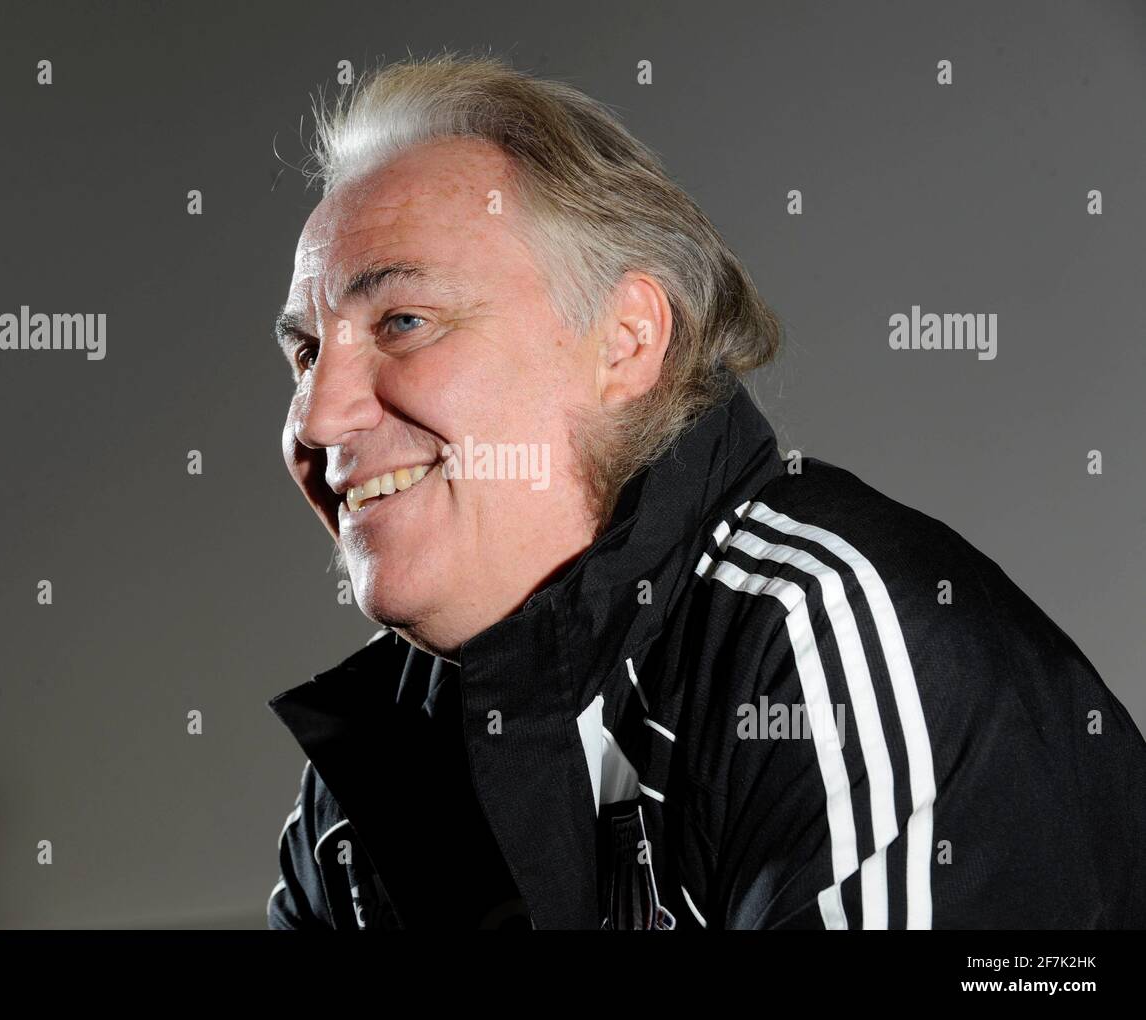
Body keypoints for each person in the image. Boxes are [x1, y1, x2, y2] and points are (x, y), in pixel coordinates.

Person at [265, 53, 1146, 929]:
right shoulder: (362, 788)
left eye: (404, 322)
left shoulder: (824, 649)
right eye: (307, 353)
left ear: (627, 341)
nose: (317, 417)